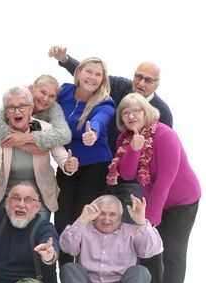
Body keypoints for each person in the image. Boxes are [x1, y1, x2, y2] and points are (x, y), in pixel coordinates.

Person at [49, 46, 173, 224]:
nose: (141, 83)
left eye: (148, 80)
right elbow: (93, 77)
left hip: (130, 179)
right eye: (138, 76)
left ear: (157, 84)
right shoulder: (121, 87)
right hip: (101, 167)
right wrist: (66, 60)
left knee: (128, 226)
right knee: (92, 221)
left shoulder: (162, 111)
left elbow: (162, 153)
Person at [107, 93, 201, 283]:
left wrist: (150, 221)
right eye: (125, 113)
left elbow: (166, 181)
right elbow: (127, 174)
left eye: (135, 111)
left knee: (172, 250)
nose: (130, 116)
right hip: (153, 198)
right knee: (149, 251)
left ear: (146, 111)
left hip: (182, 199)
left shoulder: (165, 134)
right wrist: (135, 149)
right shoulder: (125, 140)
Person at [47, 55, 116, 283]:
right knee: (63, 221)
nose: (93, 78)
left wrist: (93, 133)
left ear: (102, 80)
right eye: (89, 71)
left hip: (95, 167)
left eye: (98, 74)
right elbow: (41, 100)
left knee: (83, 222)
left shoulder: (105, 103)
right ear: (78, 73)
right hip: (67, 165)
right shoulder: (64, 92)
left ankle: (86, 282)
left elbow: (100, 119)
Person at [0, 86, 79, 221]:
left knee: (38, 237)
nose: (17, 111)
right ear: (6, 112)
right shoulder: (1, 131)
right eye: (12, 107)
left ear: (30, 108)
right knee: (2, 237)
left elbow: (60, 155)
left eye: (22, 106)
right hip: (6, 195)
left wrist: (68, 164)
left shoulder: (44, 127)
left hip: (39, 194)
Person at [0, 75, 71, 153]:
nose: (45, 99)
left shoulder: (53, 108)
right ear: (32, 89)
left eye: (51, 96)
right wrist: (25, 146)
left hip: (37, 160)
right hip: (10, 154)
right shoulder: (20, 96)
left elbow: (64, 135)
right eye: (42, 92)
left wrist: (27, 137)